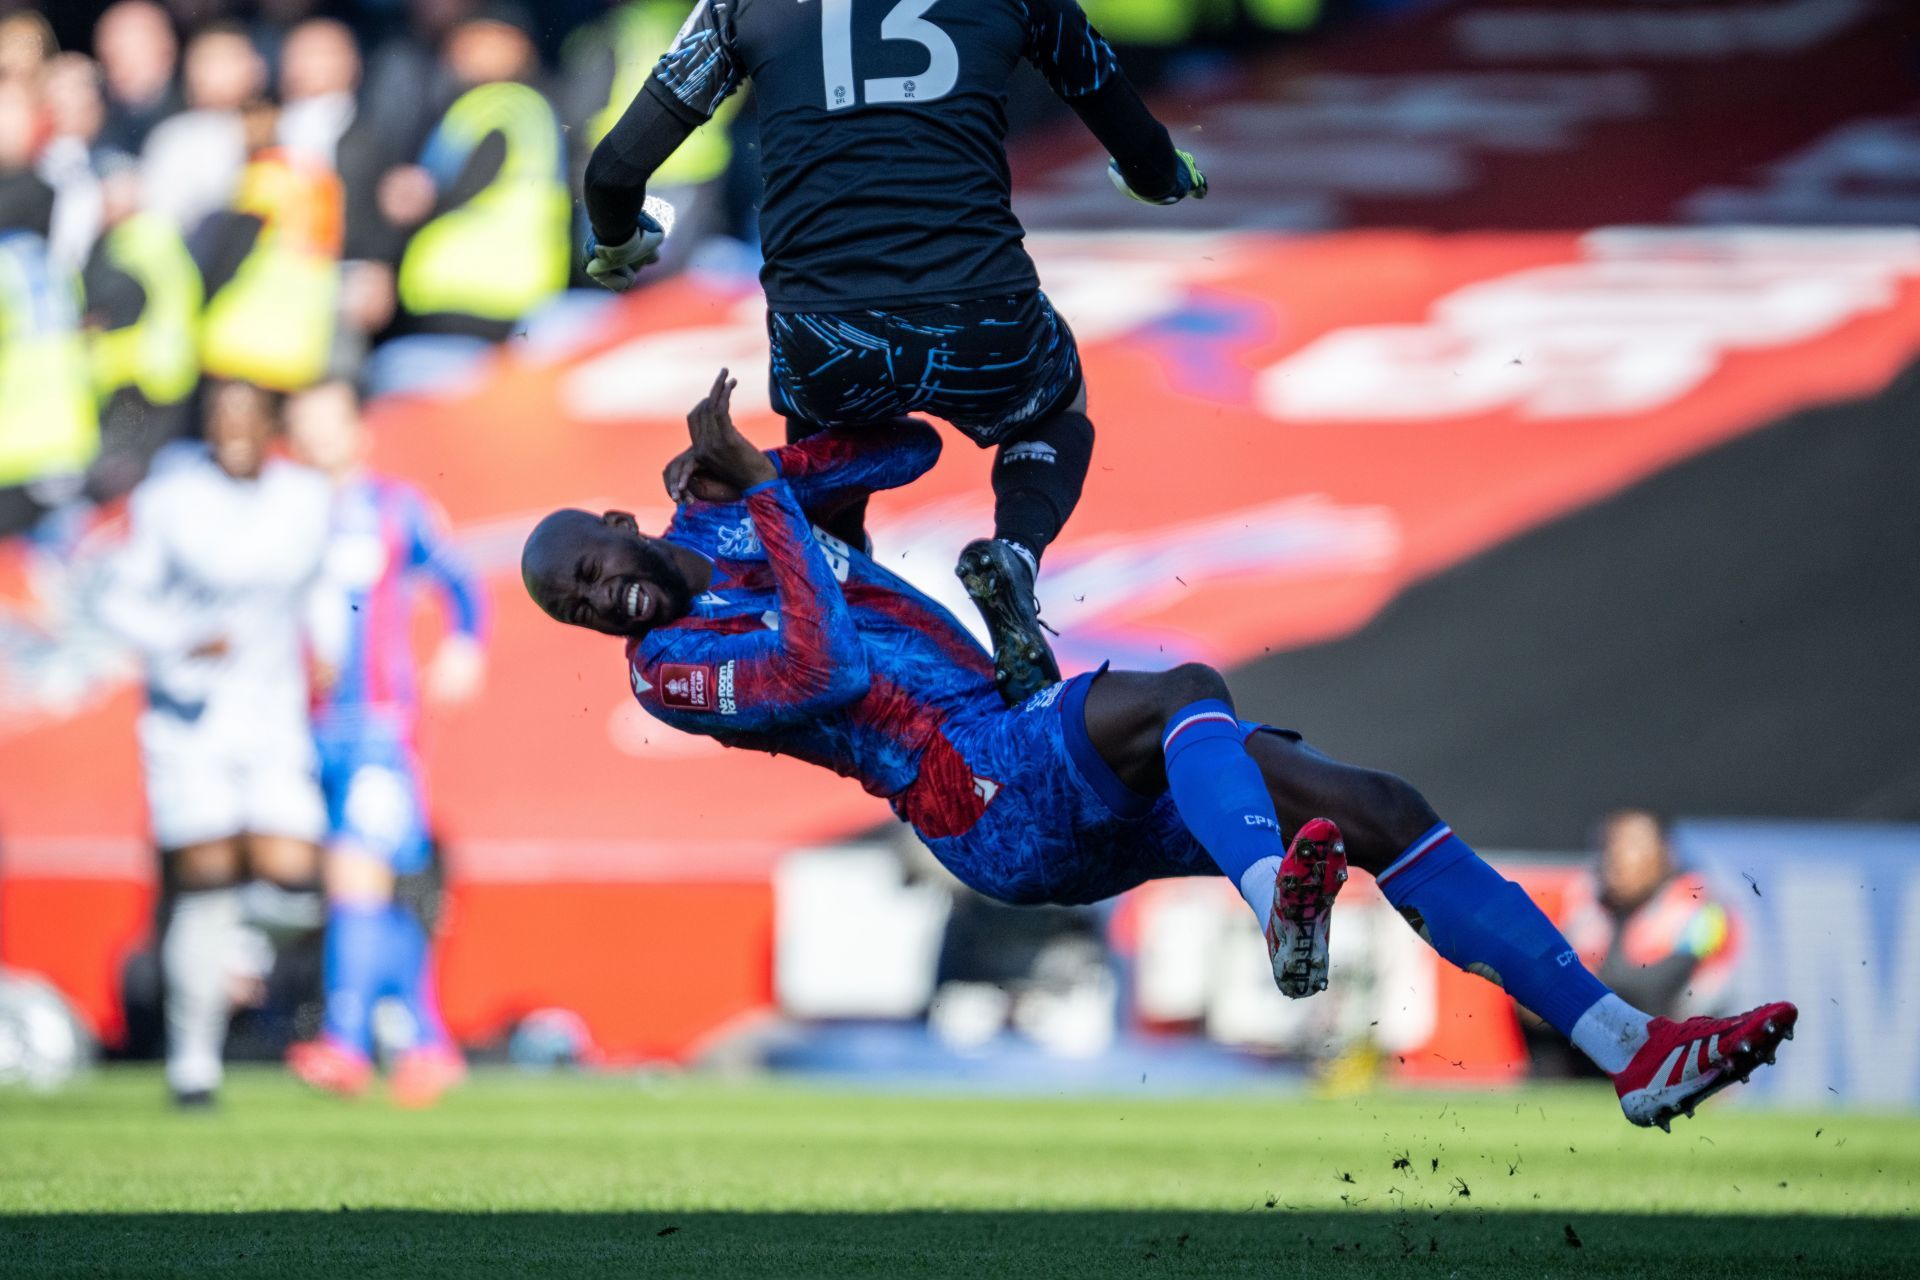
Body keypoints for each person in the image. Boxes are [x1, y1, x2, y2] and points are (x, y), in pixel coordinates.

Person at [521, 370, 1797, 1132]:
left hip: (1015, 744)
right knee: (1177, 688)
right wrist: (767, 497)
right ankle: (1276, 908)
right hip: (974, 791)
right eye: (575, 606)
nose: (597, 600)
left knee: (1376, 802)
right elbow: (827, 671)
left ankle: (1629, 1044)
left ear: (624, 522)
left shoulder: (727, 507)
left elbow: (907, 449)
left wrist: (770, 463)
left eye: (587, 567)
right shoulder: (671, 666)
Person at [580, 0, 1208, 705]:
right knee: (1055, 402)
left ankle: (842, 612)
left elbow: (611, 173)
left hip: (826, 343)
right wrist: (1164, 178)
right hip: (981, 318)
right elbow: (1128, 128)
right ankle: (1016, 554)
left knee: (826, 459)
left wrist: (617, 242)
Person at [94, 379, 333, 1106]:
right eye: (220, 417)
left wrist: (329, 644)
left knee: (295, 873)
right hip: (189, 718)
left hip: (272, 714)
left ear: (271, 423)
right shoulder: (171, 499)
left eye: (245, 416)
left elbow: (321, 588)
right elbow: (117, 596)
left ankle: (245, 949)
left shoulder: (306, 498)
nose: (232, 430)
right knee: (204, 881)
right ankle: (192, 1062)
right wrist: (183, 641)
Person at [283, 379, 486, 1106]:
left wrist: (466, 646)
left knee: (357, 873)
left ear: (359, 431)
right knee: (369, 887)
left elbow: (463, 583)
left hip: (375, 726)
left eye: (326, 423)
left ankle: (344, 1043)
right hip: (291, 729)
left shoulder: (396, 509)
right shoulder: (282, 515)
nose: (313, 438)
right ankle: (429, 1043)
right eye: (301, 425)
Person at [1562, 809, 1741, 1021]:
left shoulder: (1703, 910)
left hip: (1682, 1041)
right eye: (1609, 844)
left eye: (1633, 844)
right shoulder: (1585, 900)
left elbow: (1651, 992)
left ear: (1664, 852)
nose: (1617, 856)